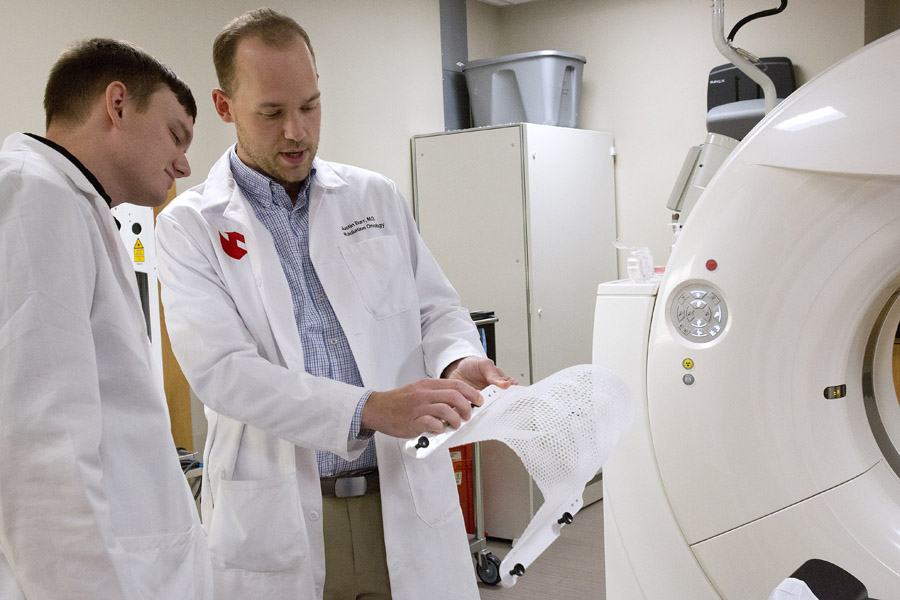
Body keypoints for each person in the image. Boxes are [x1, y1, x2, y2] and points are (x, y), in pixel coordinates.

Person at [155, 8, 515, 600]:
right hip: (280, 521)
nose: (296, 131)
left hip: (399, 497)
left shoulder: (374, 197)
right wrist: (370, 409)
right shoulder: (189, 227)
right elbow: (224, 374)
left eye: (310, 106)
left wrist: (456, 360)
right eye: (271, 112)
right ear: (225, 107)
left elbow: (436, 309)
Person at [0, 39, 212, 599]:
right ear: (116, 105)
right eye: (176, 134)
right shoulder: (34, 195)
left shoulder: (76, 205)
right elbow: (43, 449)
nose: (183, 163)